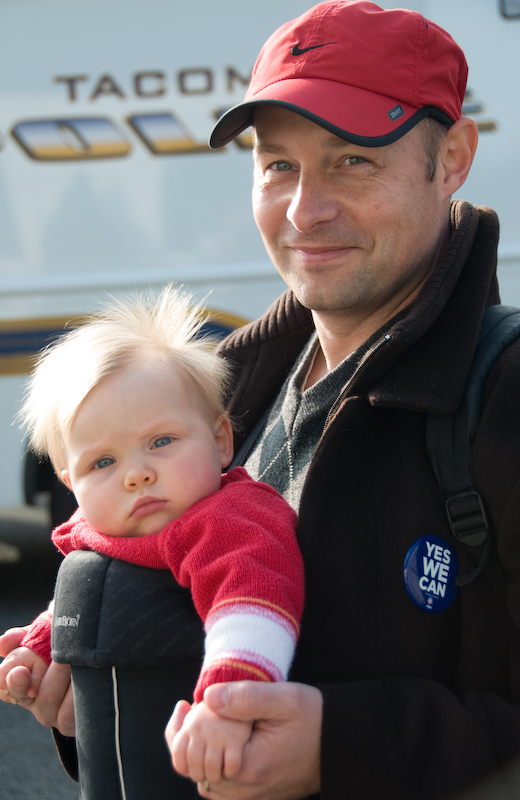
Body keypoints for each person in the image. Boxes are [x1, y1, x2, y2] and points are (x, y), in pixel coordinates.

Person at [2, 1, 520, 798]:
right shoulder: (216, 404)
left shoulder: (504, 396)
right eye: (278, 165)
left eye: (353, 161)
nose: (304, 210)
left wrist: (341, 747)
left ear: (451, 159)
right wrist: (106, 698)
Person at [0, 286, 303, 798]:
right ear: (70, 484)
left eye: (161, 442)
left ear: (221, 440)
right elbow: (98, 587)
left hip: (225, 739)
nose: (137, 475)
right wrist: (46, 641)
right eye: (103, 462)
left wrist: (230, 703)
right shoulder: (105, 529)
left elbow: (252, 603)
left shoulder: (230, 519)